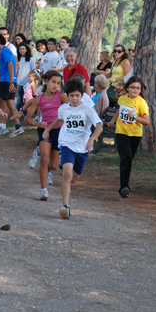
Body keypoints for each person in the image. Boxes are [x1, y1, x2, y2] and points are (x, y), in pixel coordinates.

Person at [43, 78, 103, 219]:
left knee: (74, 179)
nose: (75, 98)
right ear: (67, 96)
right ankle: (65, 206)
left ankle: (65, 166)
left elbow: (99, 126)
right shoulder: (64, 108)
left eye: (77, 95)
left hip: (82, 146)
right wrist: (48, 129)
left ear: (82, 96)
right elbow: (59, 119)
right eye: (72, 96)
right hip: (67, 143)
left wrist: (92, 138)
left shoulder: (87, 109)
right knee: (67, 174)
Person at [25, 70, 69, 200]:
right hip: (45, 131)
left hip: (58, 131)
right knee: (45, 158)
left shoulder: (61, 96)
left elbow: (69, 110)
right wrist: (37, 124)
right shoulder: (39, 98)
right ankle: (43, 190)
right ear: (46, 82)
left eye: (58, 83)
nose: (56, 85)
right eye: (53, 82)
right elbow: (27, 118)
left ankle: (46, 167)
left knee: (54, 165)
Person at [108, 76, 150, 199]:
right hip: (121, 131)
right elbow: (120, 110)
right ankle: (124, 187)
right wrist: (112, 120)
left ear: (141, 90)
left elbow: (147, 121)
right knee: (126, 157)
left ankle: (124, 184)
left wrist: (134, 117)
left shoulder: (141, 102)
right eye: (132, 87)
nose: (135, 90)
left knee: (128, 159)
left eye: (138, 88)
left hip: (135, 134)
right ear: (127, 88)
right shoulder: (122, 99)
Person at [0, 33, 21, 137]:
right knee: (10, 104)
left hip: (5, 81)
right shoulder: (4, 51)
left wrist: (11, 82)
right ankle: (18, 127)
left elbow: (11, 66)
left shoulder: (4, 51)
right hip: (8, 81)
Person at [15, 42, 36, 116]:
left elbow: (33, 70)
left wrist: (32, 80)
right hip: (19, 81)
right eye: (20, 49)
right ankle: (17, 113)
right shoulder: (17, 59)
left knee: (27, 99)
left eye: (23, 49)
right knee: (19, 99)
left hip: (27, 82)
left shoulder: (31, 59)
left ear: (26, 50)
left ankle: (26, 114)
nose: (21, 50)